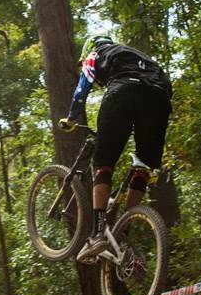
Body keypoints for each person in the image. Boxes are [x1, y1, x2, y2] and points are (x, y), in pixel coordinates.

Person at [61, 33, 173, 261]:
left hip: (123, 92)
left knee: (103, 162)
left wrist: (72, 118)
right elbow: (164, 85)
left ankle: (97, 233)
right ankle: (124, 229)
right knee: (143, 166)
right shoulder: (135, 55)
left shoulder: (96, 54)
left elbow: (82, 89)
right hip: (159, 98)